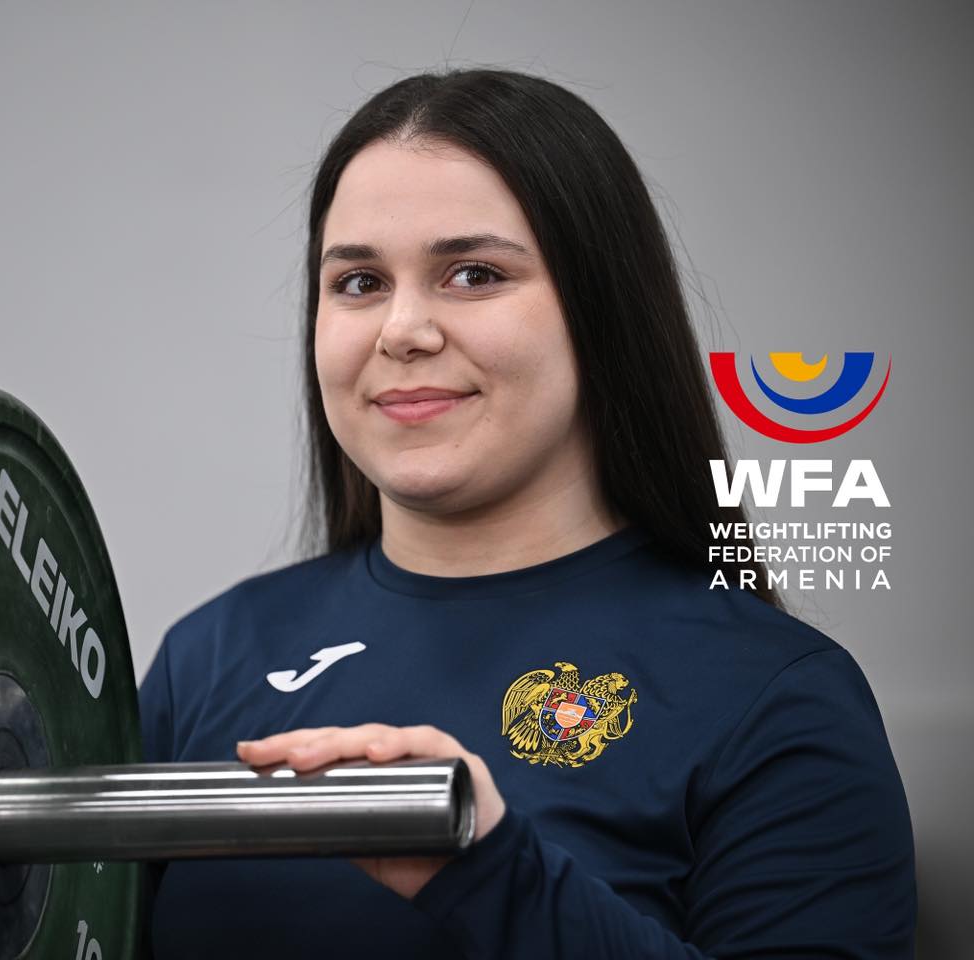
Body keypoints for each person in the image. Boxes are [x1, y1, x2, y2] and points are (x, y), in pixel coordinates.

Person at [137, 68, 916, 958]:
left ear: (602, 311)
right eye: (359, 282)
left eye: (473, 274)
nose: (402, 330)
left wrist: (491, 871)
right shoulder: (210, 656)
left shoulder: (773, 693)